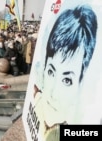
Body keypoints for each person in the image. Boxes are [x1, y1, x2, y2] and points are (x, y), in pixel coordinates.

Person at [33, 5, 97, 141]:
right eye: (51, 71)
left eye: (67, 80)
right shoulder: (36, 102)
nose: (53, 93)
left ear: (80, 83)